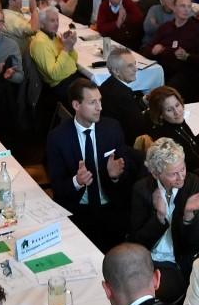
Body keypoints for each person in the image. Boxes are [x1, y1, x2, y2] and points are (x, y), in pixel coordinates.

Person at [44, 79, 133, 249]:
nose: (100, 107)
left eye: (100, 101)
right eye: (93, 102)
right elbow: (57, 185)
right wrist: (77, 181)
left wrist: (115, 176)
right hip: (77, 210)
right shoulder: (58, 137)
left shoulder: (112, 128)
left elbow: (128, 171)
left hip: (111, 208)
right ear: (76, 105)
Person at [128, 138, 199, 301]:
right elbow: (137, 241)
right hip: (147, 259)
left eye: (183, 169)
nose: (181, 177)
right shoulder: (142, 189)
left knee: (147, 296)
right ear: (156, 174)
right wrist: (159, 217)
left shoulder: (195, 186)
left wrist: (188, 215)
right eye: (173, 174)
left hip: (179, 262)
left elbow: (192, 246)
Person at [141, 86, 199, 175]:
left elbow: (191, 145)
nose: (177, 112)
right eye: (169, 110)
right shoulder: (166, 141)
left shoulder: (176, 121)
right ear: (160, 115)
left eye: (177, 105)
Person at [99, 48, 148, 144]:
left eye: (135, 64)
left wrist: (143, 101)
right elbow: (139, 124)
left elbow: (126, 111)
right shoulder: (123, 94)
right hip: (124, 142)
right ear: (116, 71)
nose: (135, 69)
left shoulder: (107, 84)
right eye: (130, 66)